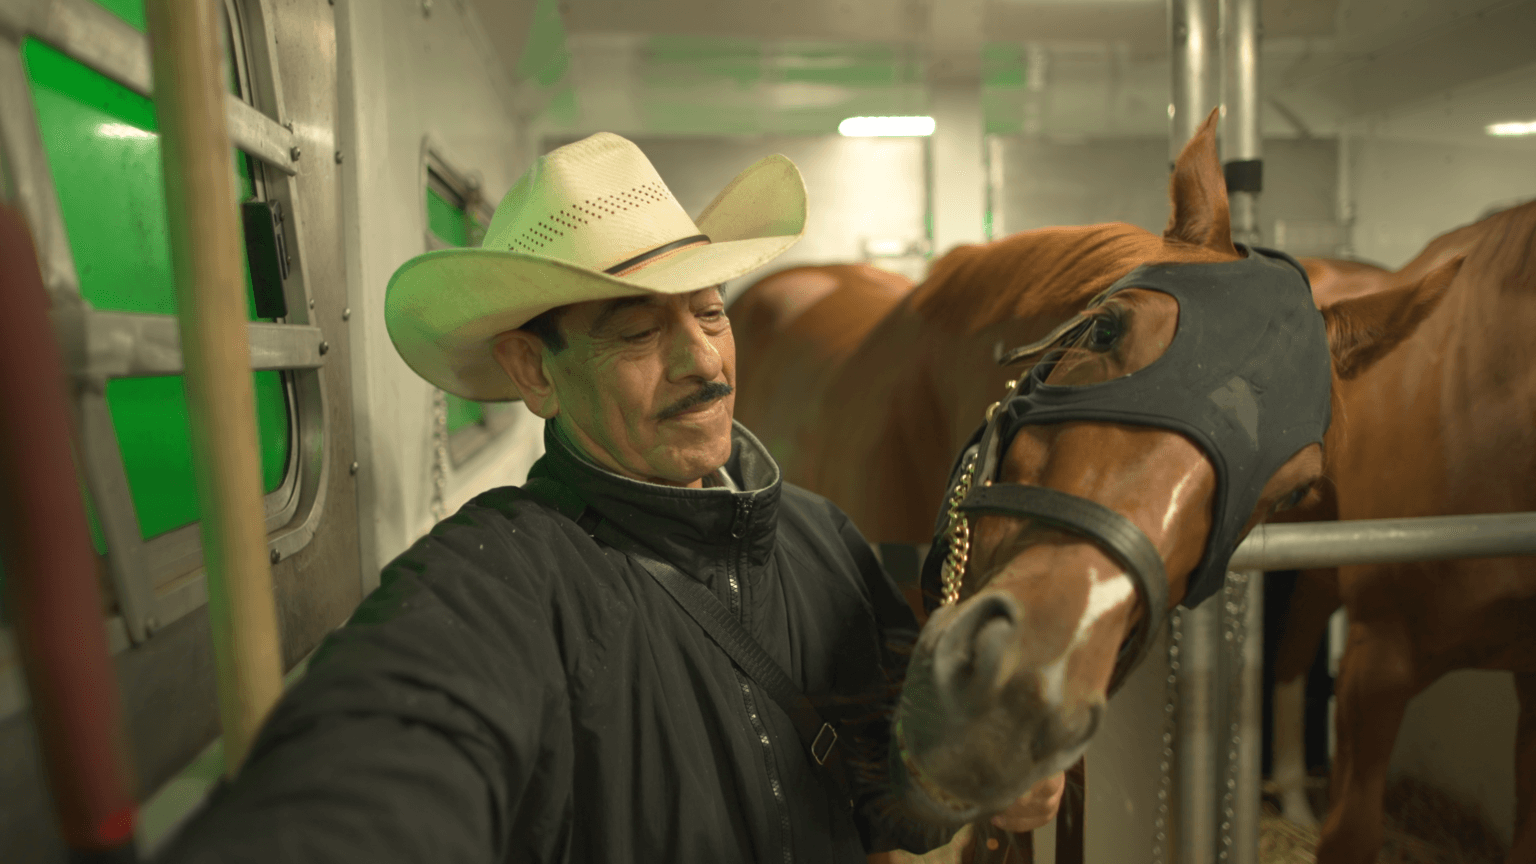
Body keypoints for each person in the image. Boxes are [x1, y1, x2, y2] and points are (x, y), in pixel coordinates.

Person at [159, 132, 1062, 863]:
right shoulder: (496, 587)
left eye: (711, 314)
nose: (704, 363)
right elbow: (378, 759)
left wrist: (969, 775)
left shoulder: (825, 540)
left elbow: (895, 800)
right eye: (637, 332)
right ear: (531, 371)